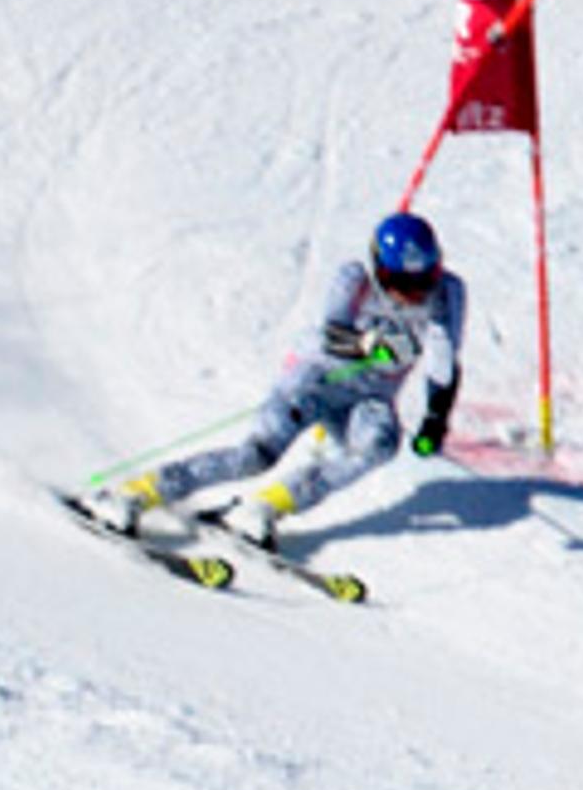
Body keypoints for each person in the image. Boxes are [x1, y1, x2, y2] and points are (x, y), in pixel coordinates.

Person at [98, 210, 466, 549]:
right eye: (402, 281)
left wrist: (435, 420)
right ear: (380, 269)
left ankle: (263, 508)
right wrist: (370, 345)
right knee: (256, 456)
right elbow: (331, 336)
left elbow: (444, 361)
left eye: (424, 279)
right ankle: (136, 491)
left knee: (379, 446)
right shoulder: (354, 279)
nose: (414, 293)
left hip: (371, 396)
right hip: (318, 380)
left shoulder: (447, 293)